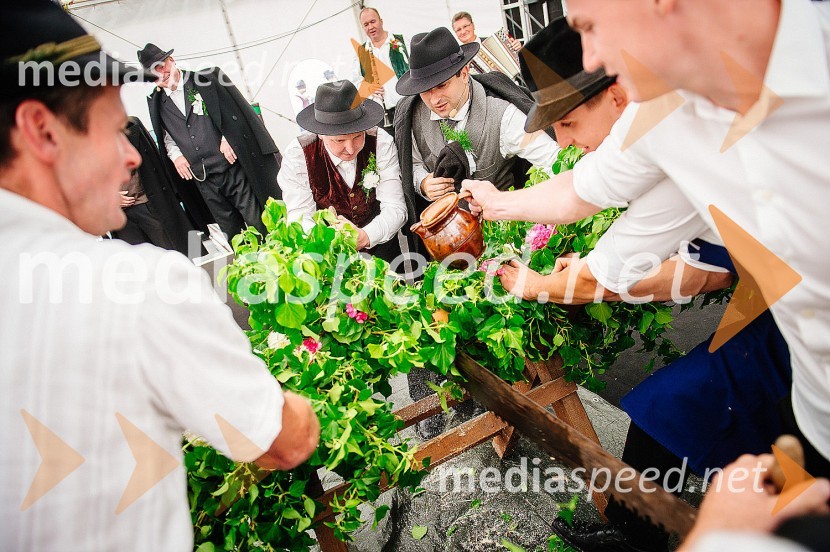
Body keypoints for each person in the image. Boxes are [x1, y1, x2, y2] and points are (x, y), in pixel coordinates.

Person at [463, 0, 830, 485]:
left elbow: (611, 274)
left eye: (590, 27)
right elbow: (581, 191)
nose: (590, 57)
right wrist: (496, 204)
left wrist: (536, 286)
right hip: (813, 390)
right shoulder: (664, 111)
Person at [0, 2, 319, 549]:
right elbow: (283, 441)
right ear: (42, 131)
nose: (131, 157)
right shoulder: (143, 286)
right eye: (110, 129)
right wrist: (298, 396)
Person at [498, 21, 792, 551]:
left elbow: (596, 239)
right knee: (676, 404)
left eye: (567, 122)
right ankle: (639, 528)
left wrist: (537, 284)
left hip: (798, 307)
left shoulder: (667, 123)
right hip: (776, 297)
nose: (563, 142)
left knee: (730, 416)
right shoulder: (669, 116)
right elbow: (708, 271)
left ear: (616, 95)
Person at [392, 26, 559, 438]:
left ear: (466, 72)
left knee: (499, 320)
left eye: (443, 84)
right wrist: (422, 184)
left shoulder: (503, 117)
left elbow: (557, 161)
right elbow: (410, 165)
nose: (433, 97)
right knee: (434, 313)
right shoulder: (413, 114)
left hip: (502, 238)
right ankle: (450, 399)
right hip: (446, 239)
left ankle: (510, 400)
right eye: (426, 88)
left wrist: (524, 207)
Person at [139, 43, 282, 240]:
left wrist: (227, 137)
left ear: (171, 60)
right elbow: (166, 137)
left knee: (257, 221)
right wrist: (176, 156)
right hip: (202, 179)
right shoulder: (156, 102)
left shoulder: (204, 80)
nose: (161, 74)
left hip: (231, 167)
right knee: (231, 231)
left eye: (161, 66)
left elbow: (233, 113)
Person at [277, 80, 406, 265]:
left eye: (357, 136)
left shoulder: (381, 141)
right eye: (339, 141)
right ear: (321, 133)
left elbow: (395, 206)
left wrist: (366, 236)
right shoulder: (298, 156)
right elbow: (300, 218)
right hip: (332, 259)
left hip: (383, 248)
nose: (351, 149)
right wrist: (332, 242)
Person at [111, 116, 198, 256]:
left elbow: (157, 162)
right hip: (118, 213)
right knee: (141, 266)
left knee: (173, 256)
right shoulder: (81, 143)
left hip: (150, 202)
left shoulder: (131, 124)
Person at [353, 7, 409, 135]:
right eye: (366, 24)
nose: (370, 27)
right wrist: (368, 88)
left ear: (381, 21)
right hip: (382, 115)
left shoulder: (402, 41)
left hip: (407, 106)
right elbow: (356, 82)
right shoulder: (361, 52)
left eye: (373, 22)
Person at [451, 11, 522, 51]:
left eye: (465, 26)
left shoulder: (495, 42)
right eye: (458, 30)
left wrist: (517, 49)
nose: (463, 31)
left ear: (473, 25)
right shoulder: (457, 55)